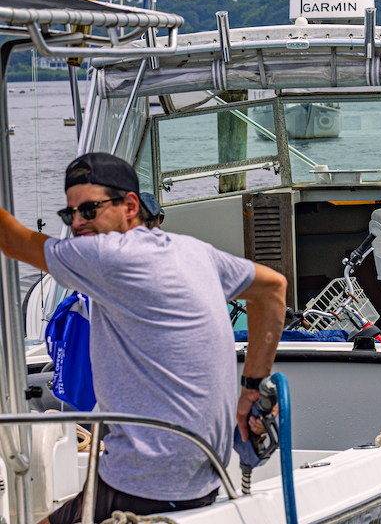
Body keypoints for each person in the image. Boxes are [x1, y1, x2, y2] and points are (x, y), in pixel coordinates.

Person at [0, 152, 287, 524]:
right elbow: (273, 289)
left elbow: (10, 239)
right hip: (202, 478)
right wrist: (251, 387)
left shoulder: (106, 256)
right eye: (69, 215)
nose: (78, 224)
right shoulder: (193, 251)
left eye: (90, 210)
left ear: (130, 205)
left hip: (144, 485)